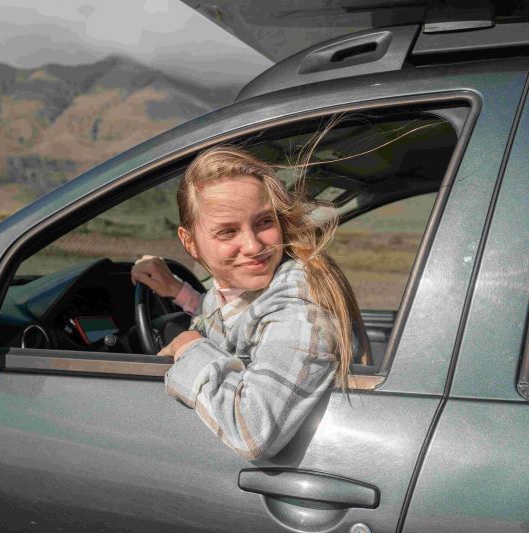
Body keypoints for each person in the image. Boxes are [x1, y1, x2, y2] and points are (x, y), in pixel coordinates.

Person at [131, 145, 368, 460]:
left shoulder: (301, 310)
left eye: (264, 222)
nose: (253, 245)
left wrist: (187, 346)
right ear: (190, 242)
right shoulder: (254, 285)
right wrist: (178, 292)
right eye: (228, 232)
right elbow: (236, 316)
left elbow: (254, 431)